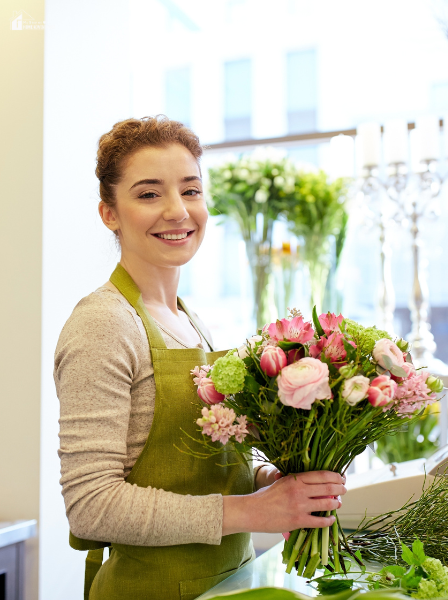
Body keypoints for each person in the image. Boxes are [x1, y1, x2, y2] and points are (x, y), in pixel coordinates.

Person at [55, 115, 346, 600]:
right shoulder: (104, 323)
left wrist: (267, 481)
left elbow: (199, 468)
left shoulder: (188, 319)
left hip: (228, 582)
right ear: (110, 212)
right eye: (149, 194)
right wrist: (254, 511)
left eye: (190, 191)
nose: (177, 211)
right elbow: (91, 505)